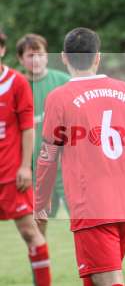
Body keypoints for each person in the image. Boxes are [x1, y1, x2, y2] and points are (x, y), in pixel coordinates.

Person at [34, 27, 125, 286]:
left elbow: (48, 155)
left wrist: (40, 200)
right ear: (98, 57)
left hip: (91, 207)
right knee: (95, 278)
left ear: (63, 57)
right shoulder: (124, 91)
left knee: (109, 279)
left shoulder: (59, 98)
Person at [0, 28, 51, 285]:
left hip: (11, 175)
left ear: (2, 49)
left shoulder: (17, 82)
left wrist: (24, 167)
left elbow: (27, 128)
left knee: (30, 233)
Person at [17, 33, 70, 234]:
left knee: (80, 215)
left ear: (47, 56)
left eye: (40, 54)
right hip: (35, 169)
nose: (36, 60)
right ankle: (40, 263)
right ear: (21, 59)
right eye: (30, 56)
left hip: (66, 165)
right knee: (38, 222)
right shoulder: (16, 85)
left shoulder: (64, 81)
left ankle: (91, 263)